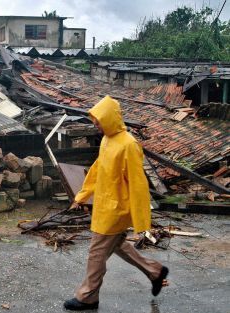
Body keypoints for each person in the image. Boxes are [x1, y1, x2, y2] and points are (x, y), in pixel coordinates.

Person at [63, 95, 169, 311]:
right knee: (118, 245)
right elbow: (96, 170)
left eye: (98, 120)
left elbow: (138, 185)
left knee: (96, 253)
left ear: (110, 118)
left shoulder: (129, 145)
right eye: (94, 120)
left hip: (117, 210)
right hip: (104, 206)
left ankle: (88, 296)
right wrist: (81, 196)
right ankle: (155, 272)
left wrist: (142, 223)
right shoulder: (107, 140)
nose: (95, 124)